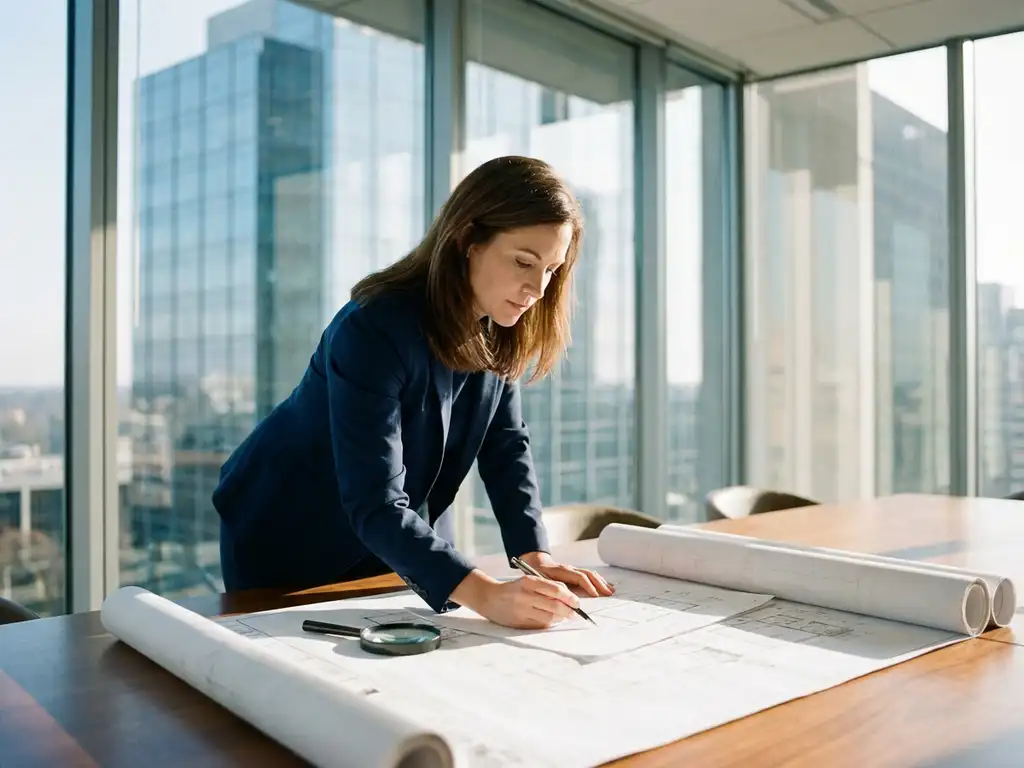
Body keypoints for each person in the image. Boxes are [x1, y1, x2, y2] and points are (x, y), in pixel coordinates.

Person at [213, 155, 614, 630]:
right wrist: (485, 594)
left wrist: (534, 557)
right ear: (467, 239)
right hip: (289, 533)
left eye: (551, 270)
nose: (537, 288)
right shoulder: (374, 327)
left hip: (387, 537)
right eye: (524, 262)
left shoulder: (498, 331)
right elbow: (375, 501)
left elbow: (506, 450)